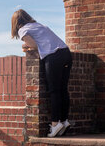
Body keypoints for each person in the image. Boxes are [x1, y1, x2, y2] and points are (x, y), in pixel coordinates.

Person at [11, 9, 72, 137]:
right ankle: (64, 121)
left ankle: (55, 124)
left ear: (16, 23)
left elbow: (34, 45)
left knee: (54, 91)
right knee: (62, 89)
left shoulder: (23, 30)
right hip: (66, 53)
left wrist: (26, 47)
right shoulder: (38, 25)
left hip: (54, 56)